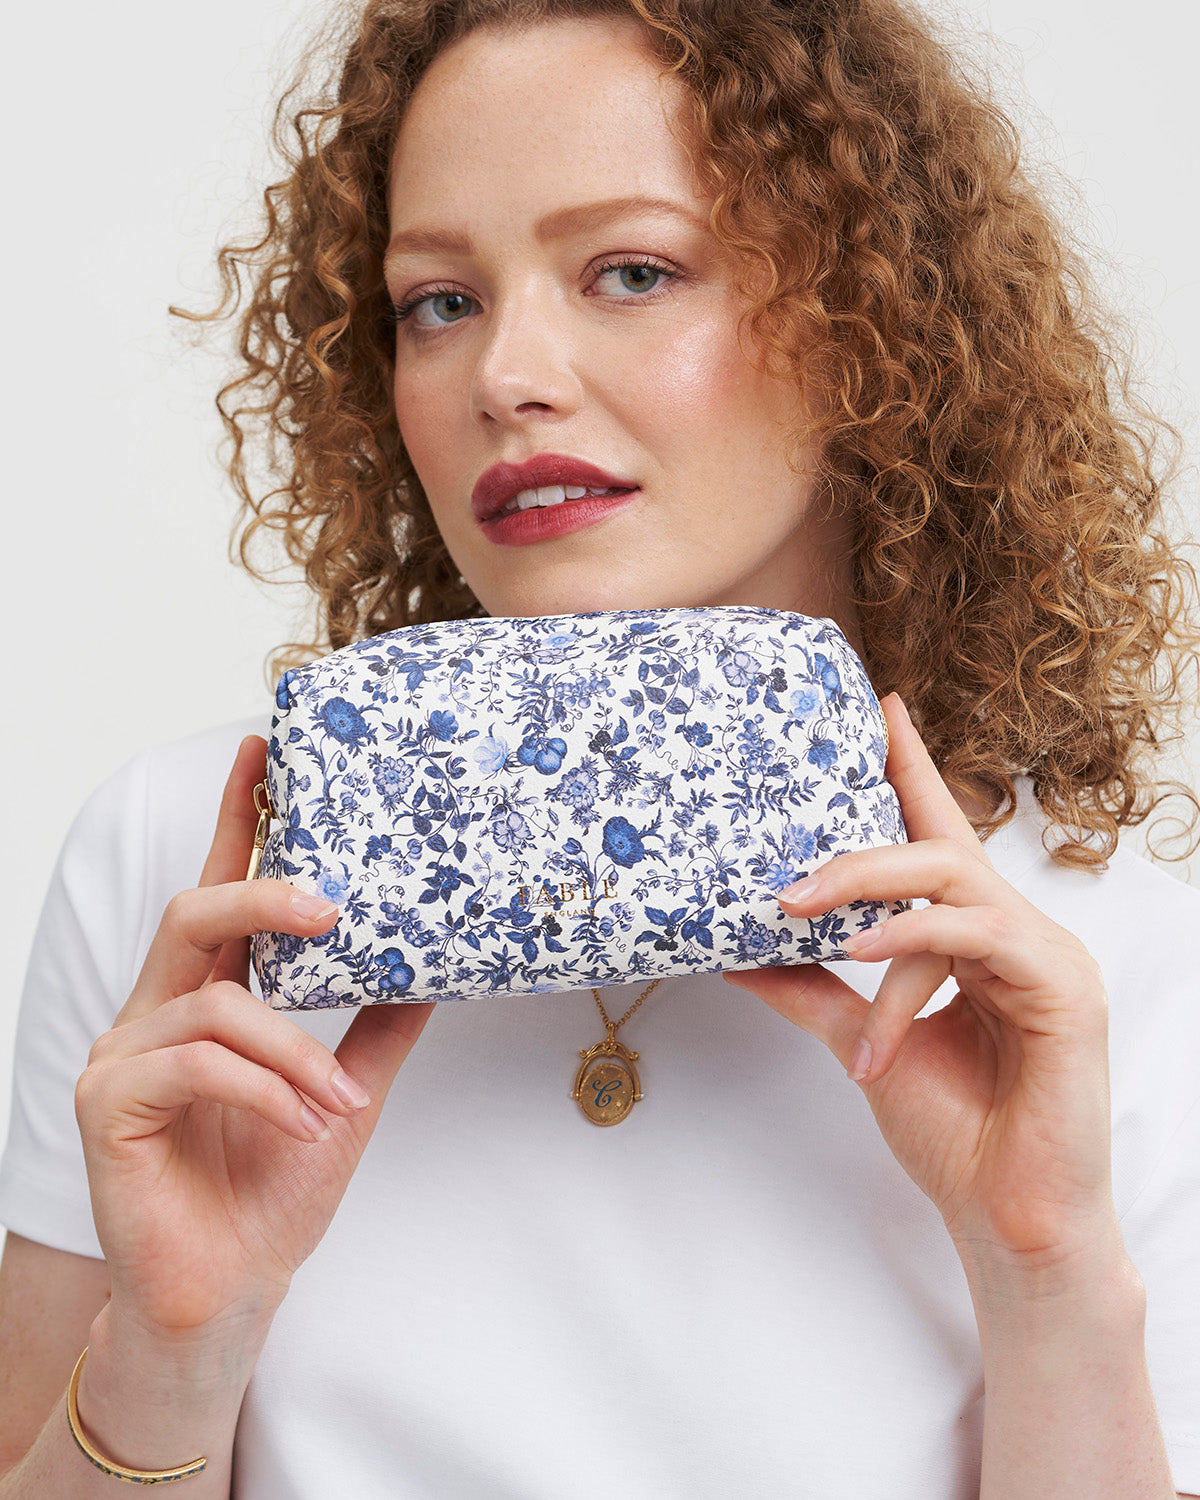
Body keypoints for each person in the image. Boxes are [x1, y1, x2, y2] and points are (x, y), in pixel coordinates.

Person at [0, 0, 1197, 1494]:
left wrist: (1047, 1272)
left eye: (631, 271)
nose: (508, 372)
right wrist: (174, 1349)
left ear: (868, 328)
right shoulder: (196, 883)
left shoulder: (1107, 969)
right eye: (438, 300)